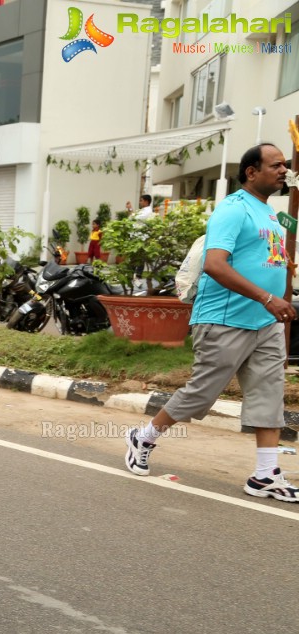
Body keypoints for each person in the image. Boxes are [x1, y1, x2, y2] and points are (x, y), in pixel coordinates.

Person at [125, 143, 297, 501]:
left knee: (268, 396)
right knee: (202, 393)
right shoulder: (233, 210)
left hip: (265, 323)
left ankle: (265, 476)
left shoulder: (268, 213)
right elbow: (216, 265)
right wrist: (268, 298)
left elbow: (273, 262)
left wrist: (283, 292)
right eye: (276, 165)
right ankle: (144, 436)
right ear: (252, 171)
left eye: (286, 165)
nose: (284, 170)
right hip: (225, 319)